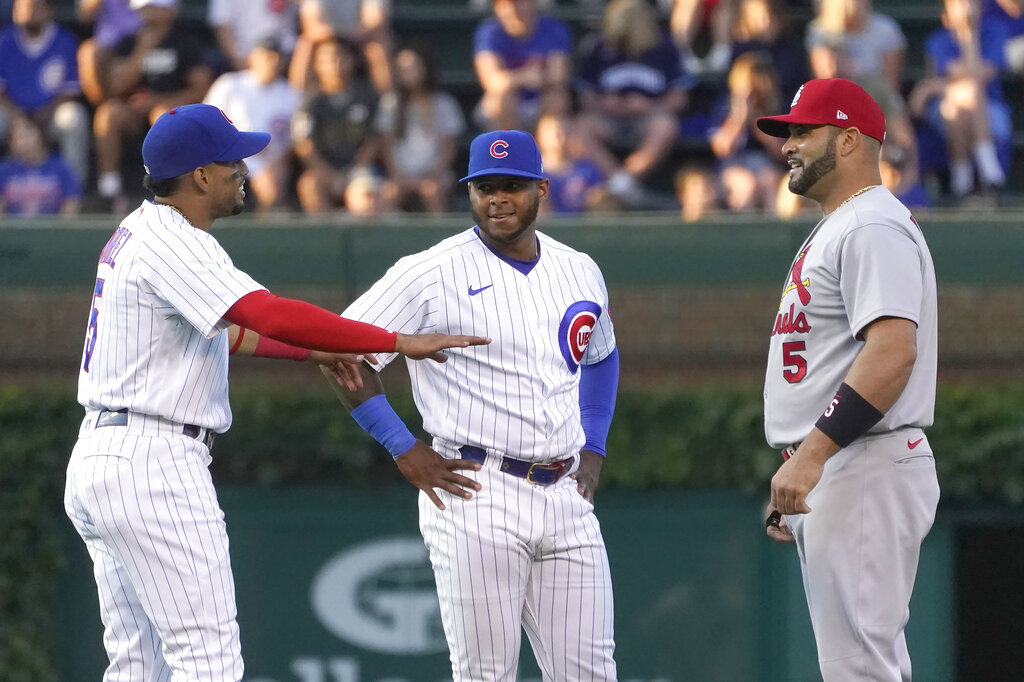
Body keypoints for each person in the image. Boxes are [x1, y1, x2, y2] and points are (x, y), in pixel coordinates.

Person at [63, 103, 487, 682]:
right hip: (151, 461)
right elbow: (266, 312)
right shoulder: (174, 240)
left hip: (108, 454)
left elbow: (230, 335)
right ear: (200, 175)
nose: (244, 169)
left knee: (139, 665)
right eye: (232, 159)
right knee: (207, 661)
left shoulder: (139, 231)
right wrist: (392, 339)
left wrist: (317, 350)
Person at [322, 129, 620, 681]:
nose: (497, 199)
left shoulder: (579, 267)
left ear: (541, 189)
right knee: (486, 674)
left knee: (592, 674)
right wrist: (403, 446)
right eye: (484, 187)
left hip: (565, 490)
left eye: (512, 186)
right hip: (475, 485)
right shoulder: (429, 271)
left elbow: (602, 355)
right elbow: (342, 355)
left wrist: (595, 444)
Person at [755, 78, 940, 681]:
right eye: (789, 132)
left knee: (861, 669)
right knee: (857, 666)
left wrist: (811, 456)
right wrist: (803, 462)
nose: (790, 143)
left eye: (805, 131)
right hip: (846, 461)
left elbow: (892, 353)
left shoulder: (869, 225)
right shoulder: (846, 223)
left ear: (850, 140)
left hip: (864, 458)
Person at [93, 0, 214, 210]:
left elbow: (201, 89)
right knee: (108, 115)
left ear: (168, 10)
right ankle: (108, 190)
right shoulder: (129, 41)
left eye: (152, 7)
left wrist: (158, 102)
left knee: (162, 115)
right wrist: (142, 49)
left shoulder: (185, 41)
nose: (146, 14)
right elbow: (114, 86)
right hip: (132, 112)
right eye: (143, 9)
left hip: (170, 109)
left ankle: (171, 187)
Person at [575, 0, 693, 206]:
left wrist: (650, 106)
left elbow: (679, 97)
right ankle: (619, 181)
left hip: (648, 118)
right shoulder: (597, 46)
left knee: (666, 126)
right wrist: (605, 104)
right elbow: (585, 96)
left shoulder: (665, 45)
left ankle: (625, 181)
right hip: (609, 118)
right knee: (581, 127)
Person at [909, 0, 1011, 203]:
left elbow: (979, 76)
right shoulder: (938, 41)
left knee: (965, 98)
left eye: (971, 3)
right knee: (958, 103)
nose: (966, 9)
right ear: (946, 13)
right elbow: (962, 74)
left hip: (992, 111)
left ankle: (961, 178)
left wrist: (969, 36)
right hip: (945, 111)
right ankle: (990, 171)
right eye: (959, 4)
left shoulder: (996, 32)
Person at [204, 37, 302, 211]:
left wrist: (281, 160)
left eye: (278, 57)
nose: (274, 62)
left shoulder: (291, 94)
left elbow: (297, 138)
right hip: (231, 157)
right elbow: (206, 124)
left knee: (271, 185)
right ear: (253, 57)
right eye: (267, 56)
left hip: (273, 161)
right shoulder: (230, 84)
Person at [0, 0, 91, 184]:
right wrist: (18, 118)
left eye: (33, 8)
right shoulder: (5, 40)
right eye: (21, 9)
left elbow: (71, 90)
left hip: (51, 113)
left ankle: (73, 190)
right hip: (14, 115)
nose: (27, 14)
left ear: (48, 11)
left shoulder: (65, 40)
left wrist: (46, 113)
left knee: (73, 118)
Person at [292, 35, 380, 214]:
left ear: (353, 60)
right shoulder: (311, 101)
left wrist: (352, 172)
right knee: (310, 185)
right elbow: (304, 145)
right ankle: (324, 239)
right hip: (324, 171)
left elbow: (375, 139)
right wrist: (331, 176)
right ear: (317, 65)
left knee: (367, 193)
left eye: (340, 56)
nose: (335, 63)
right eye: (326, 59)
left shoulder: (367, 95)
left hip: (360, 169)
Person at [375, 46, 465, 213]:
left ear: (425, 68)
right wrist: (397, 173)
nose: (408, 73)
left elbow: (449, 146)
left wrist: (433, 172)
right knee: (388, 194)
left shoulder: (444, 103)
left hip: (435, 175)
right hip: (399, 175)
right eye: (402, 69)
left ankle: (439, 236)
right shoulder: (390, 104)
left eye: (413, 67)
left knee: (432, 191)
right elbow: (386, 144)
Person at [473, 0, 572, 130]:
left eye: (520, 2)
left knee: (557, 98)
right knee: (500, 98)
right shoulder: (489, 32)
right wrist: (525, 76)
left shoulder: (554, 29)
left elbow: (557, 76)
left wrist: (517, 79)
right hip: (508, 103)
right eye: (506, 4)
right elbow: (491, 81)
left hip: (541, 99)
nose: (513, 9)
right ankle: (509, 147)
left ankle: (543, 148)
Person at [0, 115, 82, 215]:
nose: (23, 141)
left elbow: (71, 208)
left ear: (40, 136)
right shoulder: (4, 171)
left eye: (27, 135)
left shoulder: (62, 169)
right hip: (14, 229)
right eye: (18, 137)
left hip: (51, 229)